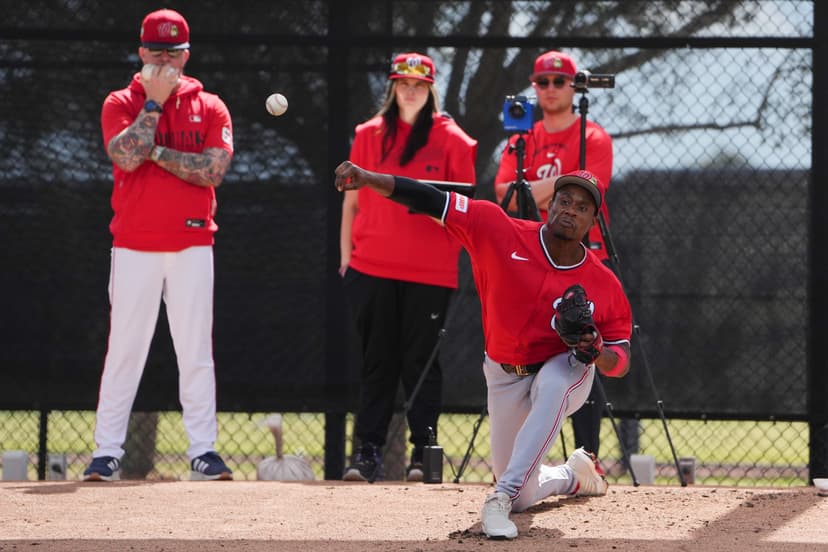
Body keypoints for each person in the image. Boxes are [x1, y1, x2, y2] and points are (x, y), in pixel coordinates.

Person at [334, 161, 632, 540]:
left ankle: (499, 498)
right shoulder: (498, 229)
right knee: (525, 494)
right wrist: (368, 178)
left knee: (556, 381)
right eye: (564, 200)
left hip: (565, 369)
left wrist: (597, 352)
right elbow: (430, 199)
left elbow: (620, 361)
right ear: (551, 205)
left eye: (582, 207)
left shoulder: (603, 282)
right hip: (505, 374)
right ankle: (572, 476)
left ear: (593, 220)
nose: (571, 210)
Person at [83, 8, 234, 482]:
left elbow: (212, 170)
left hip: (192, 241)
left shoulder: (210, 105)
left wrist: (155, 151)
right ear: (141, 52)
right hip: (134, 243)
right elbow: (126, 158)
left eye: (173, 52)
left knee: (195, 350)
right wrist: (153, 104)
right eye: (156, 51)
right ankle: (107, 452)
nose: (165, 60)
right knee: (124, 349)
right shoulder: (120, 102)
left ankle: (203, 451)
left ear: (187, 55)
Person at [339, 52, 477, 482]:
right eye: (403, 83)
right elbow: (351, 202)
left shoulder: (454, 140)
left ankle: (423, 454)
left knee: (421, 363)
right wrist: (346, 258)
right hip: (371, 267)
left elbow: (463, 209)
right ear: (393, 87)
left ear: (431, 89)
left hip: (430, 272)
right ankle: (367, 454)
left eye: (419, 84)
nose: (411, 91)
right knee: (377, 362)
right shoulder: (368, 134)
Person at [494, 50, 635, 459]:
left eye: (559, 81)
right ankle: (528, 457)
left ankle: (587, 456)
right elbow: (504, 195)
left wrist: (536, 190)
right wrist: (562, 184)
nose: (550, 88)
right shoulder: (522, 139)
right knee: (532, 354)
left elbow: (590, 191)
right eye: (542, 82)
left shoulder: (593, 136)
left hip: (583, 257)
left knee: (582, 349)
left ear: (574, 86)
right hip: (533, 258)